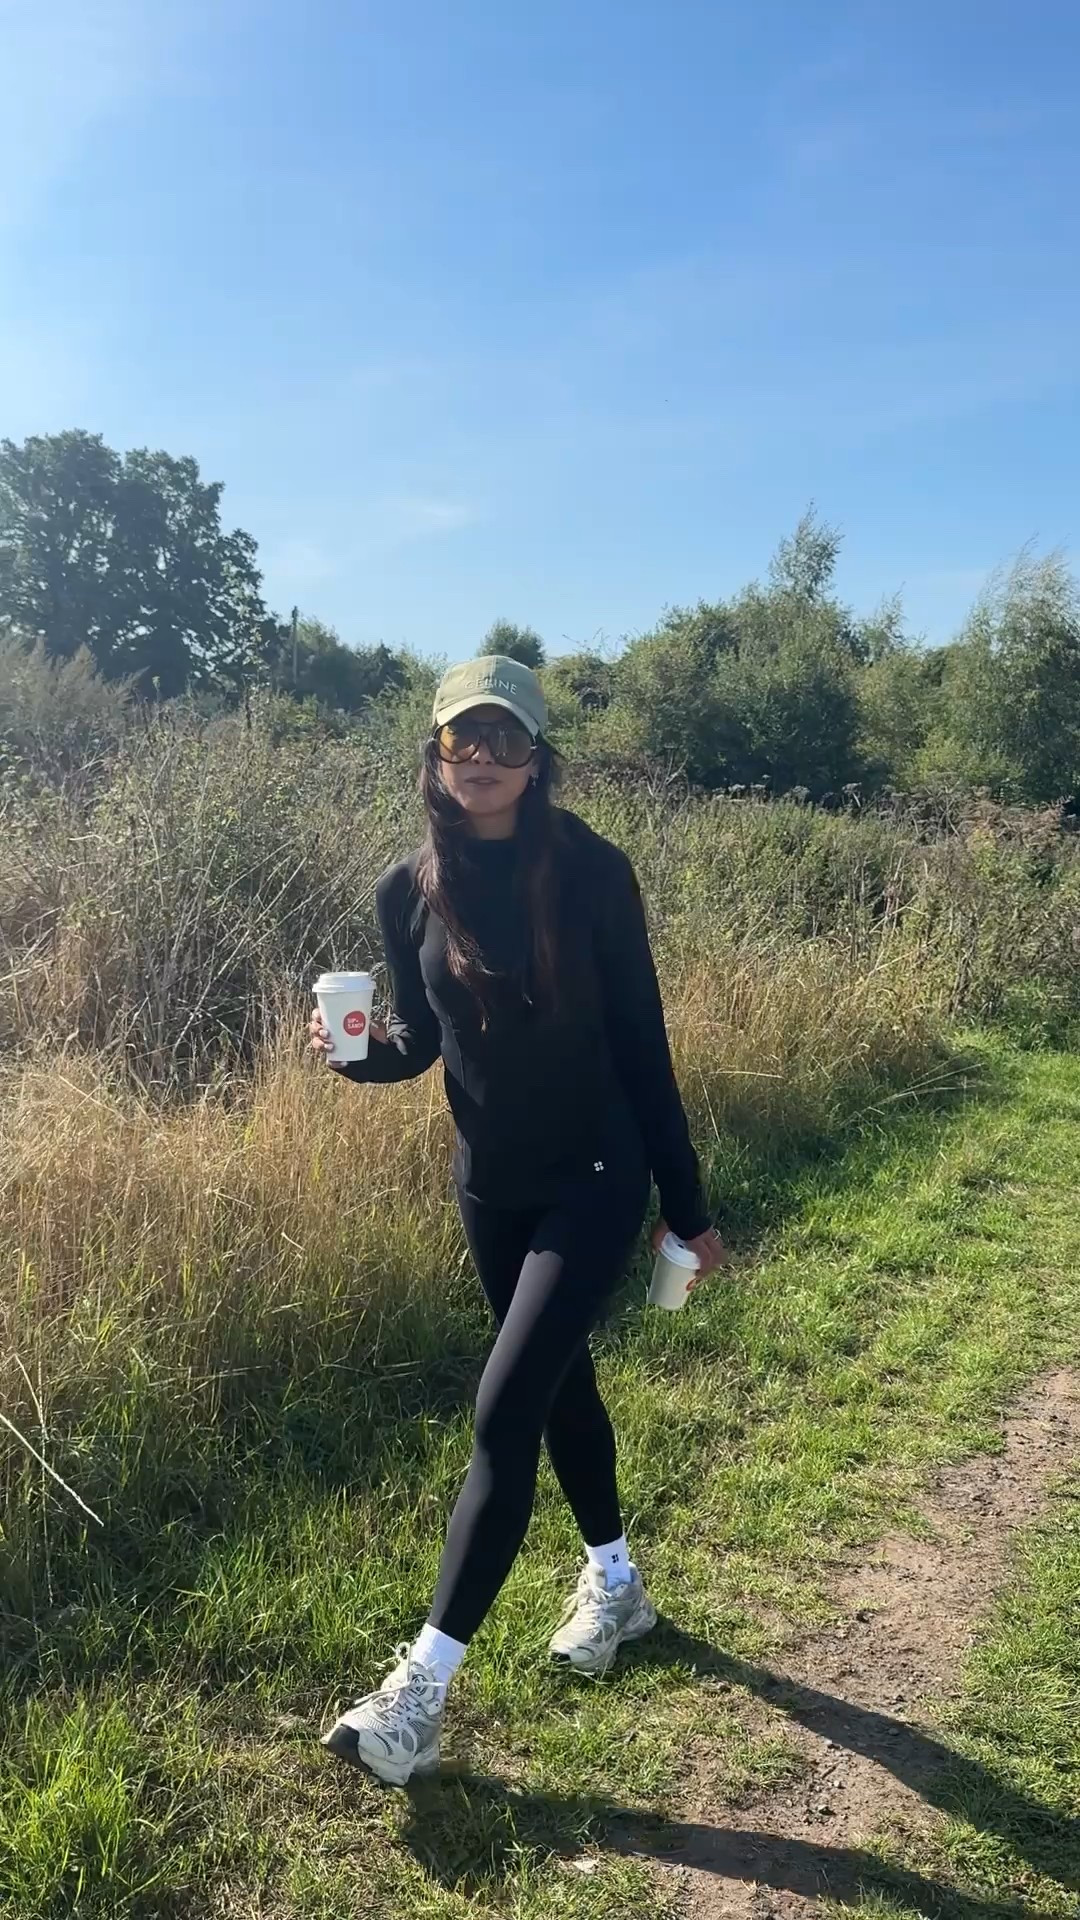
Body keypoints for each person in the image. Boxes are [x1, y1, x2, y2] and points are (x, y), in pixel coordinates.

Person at [311, 654, 725, 1784]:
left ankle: (418, 1697)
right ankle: (619, 1586)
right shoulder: (408, 889)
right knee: (557, 1384)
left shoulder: (593, 872)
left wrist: (686, 1206)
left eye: (507, 740)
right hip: (490, 1185)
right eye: (465, 738)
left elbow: (643, 1042)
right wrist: (357, 1058)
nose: (484, 760)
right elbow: (419, 1043)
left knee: (503, 1410)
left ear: (538, 759)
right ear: (437, 754)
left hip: (596, 1175)